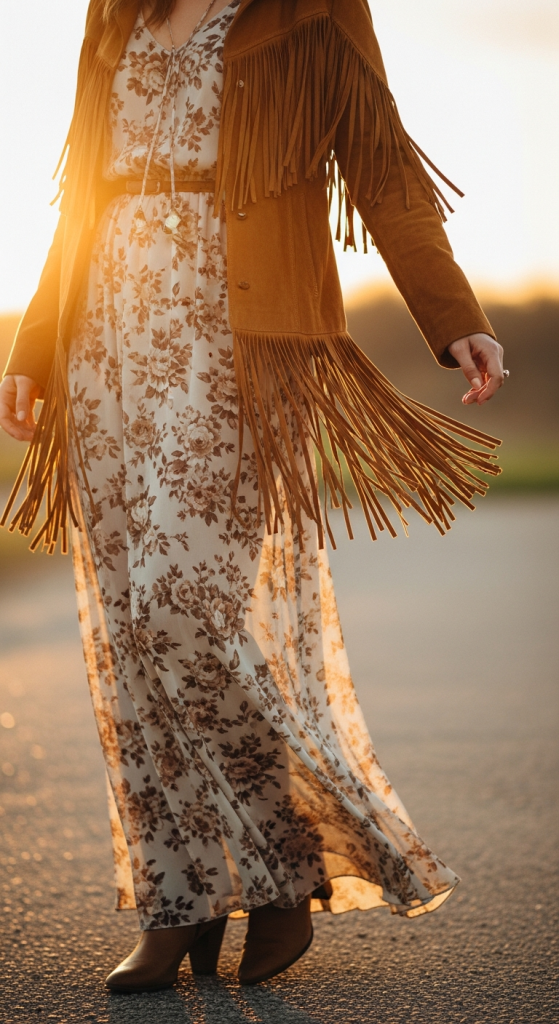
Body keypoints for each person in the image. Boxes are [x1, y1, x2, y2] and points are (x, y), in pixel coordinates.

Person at [0, 0, 505, 994]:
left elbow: (383, 166)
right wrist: (35, 342)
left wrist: (452, 315)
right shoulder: (115, 11)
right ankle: (175, 900)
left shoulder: (309, 11)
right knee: (133, 631)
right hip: (107, 339)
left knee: (181, 605)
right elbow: (79, 189)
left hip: (237, 342)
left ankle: (282, 849)